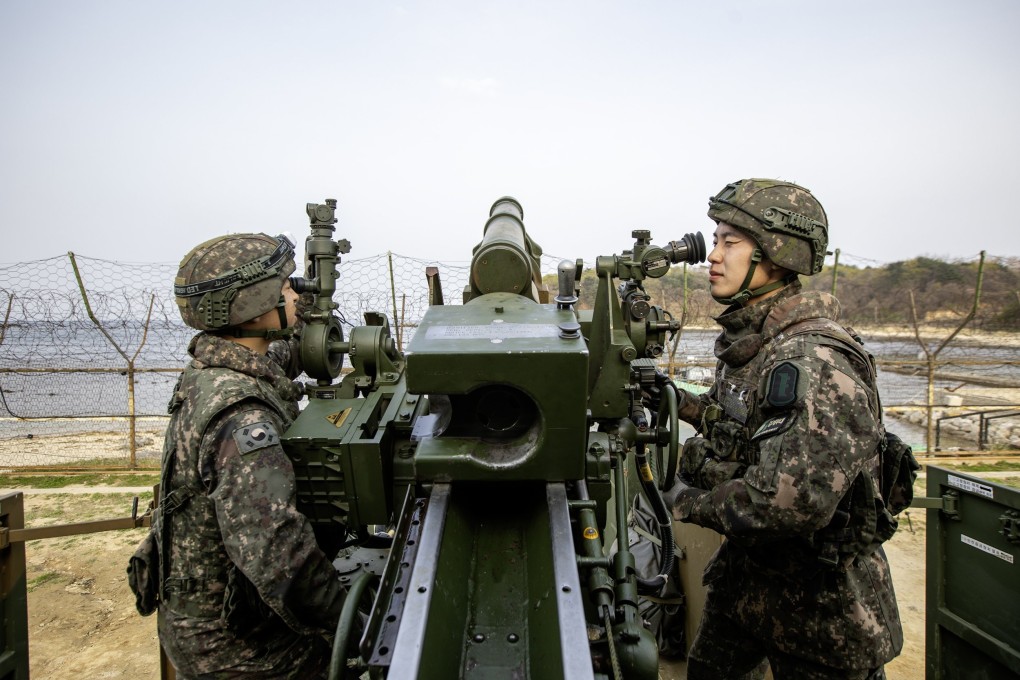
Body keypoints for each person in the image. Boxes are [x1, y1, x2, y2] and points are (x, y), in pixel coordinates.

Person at [664, 179, 903, 679]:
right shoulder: (757, 344)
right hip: (749, 590)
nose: (713, 255)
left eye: (731, 242)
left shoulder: (810, 360)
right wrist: (675, 404)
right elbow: (740, 424)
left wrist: (683, 500)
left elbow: (784, 504)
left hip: (823, 614)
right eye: (717, 239)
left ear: (776, 254)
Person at [149, 232, 345, 678]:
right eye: (287, 288)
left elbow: (278, 358)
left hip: (199, 619)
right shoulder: (243, 417)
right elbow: (281, 555)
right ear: (256, 305)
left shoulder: (213, 369)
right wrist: (353, 617)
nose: (297, 294)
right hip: (239, 649)